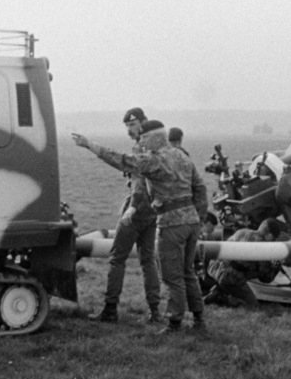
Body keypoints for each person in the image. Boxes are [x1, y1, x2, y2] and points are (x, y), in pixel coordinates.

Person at [73, 120, 208, 333]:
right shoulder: (182, 155)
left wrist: (91, 145)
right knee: (188, 272)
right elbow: (200, 188)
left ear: (155, 139)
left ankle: (174, 323)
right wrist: (198, 217)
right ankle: (199, 320)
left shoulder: (155, 160)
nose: (141, 142)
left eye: (144, 139)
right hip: (191, 223)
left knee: (172, 276)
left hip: (172, 224)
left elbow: (123, 161)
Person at [88, 108, 162, 324]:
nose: (129, 130)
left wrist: (132, 207)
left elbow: (138, 182)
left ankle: (110, 310)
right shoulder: (157, 147)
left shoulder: (141, 148)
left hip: (137, 210)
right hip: (152, 212)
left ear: (143, 123)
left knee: (117, 258)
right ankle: (155, 311)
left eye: (132, 125)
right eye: (127, 126)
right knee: (148, 261)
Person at [204, 218, 284, 308]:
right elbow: (266, 278)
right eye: (273, 239)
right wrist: (277, 264)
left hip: (215, 269)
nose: (272, 241)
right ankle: (223, 298)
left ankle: (218, 290)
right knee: (252, 305)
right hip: (229, 277)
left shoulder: (242, 231)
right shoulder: (262, 247)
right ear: (269, 234)